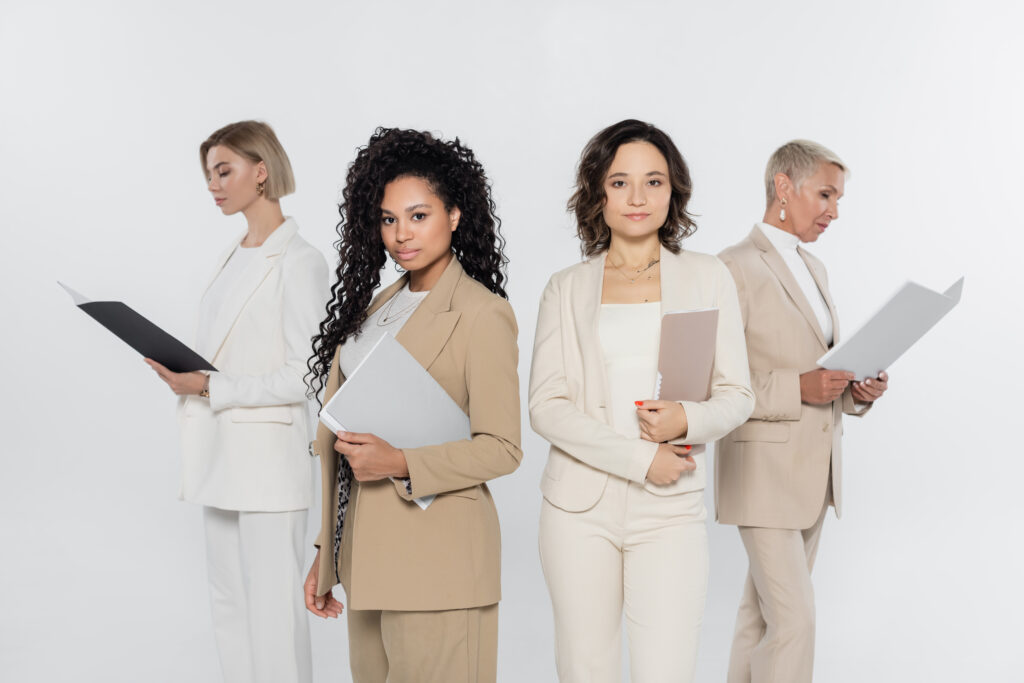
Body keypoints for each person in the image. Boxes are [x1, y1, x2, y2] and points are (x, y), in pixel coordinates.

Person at [528, 119, 755, 683]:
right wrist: (638, 459)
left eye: (654, 182)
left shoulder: (707, 277)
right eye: (620, 182)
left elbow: (737, 394)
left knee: (667, 670)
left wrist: (688, 418)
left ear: (673, 191)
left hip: (671, 507)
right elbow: (546, 406)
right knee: (586, 670)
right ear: (597, 193)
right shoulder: (565, 287)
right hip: (578, 509)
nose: (637, 197)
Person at [302, 127, 521, 683]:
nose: (401, 234)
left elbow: (502, 449)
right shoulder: (378, 305)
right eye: (387, 218)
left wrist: (401, 463)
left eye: (418, 216)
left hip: (440, 565)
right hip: (368, 562)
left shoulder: (481, 314)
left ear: (455, 215)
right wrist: (327, 553)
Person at [145, 120, 326, 683]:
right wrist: (192, 374)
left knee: (273, 612)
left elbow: (306, 376)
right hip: (219, 453)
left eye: (224, 170)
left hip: (270, 463)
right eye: (209, 175)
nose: (213, 185)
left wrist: (208, 386)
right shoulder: (234, 254)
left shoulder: (300, 262)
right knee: (228, 603)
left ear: (261, 171)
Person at [716, 139, 890, 683]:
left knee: (761, 616)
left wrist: (854, 390)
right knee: (796, 619)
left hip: (814, 473)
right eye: (825, 194)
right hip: (762, 471)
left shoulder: (814, 268)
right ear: (783, 187)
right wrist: (799, 387)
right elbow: (713, 383)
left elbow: (819, 372)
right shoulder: (730, 268)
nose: (834, 211)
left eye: (838, 199)